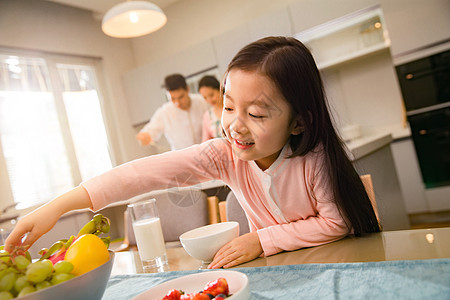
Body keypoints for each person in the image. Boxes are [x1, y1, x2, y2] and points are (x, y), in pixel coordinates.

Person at [5, 36, 380, 269]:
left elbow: (336, 223)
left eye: (256, 113)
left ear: (299, 122)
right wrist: (58, 205)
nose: (235, 124)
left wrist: (260, 240)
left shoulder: (313, 160)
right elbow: (143, 174)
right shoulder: (225, 155)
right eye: (229, 106)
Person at [136, 73, 209, 151]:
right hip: (181, 158)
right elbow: (150, 131)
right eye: (173, 98)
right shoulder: (165, 112)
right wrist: (144, 137)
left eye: (181, 97)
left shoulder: (203, 102)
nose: (177, 103)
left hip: (206, 152)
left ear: (187, 89)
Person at [198, 75, 223, 141]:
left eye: (211, 95)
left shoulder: (233, 107)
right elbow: (206, 141)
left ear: (219, 89)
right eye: (205, 97)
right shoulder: (207, 116)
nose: (209, 100)